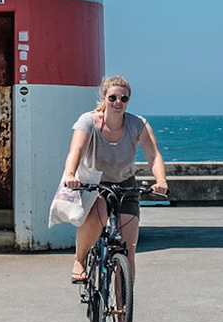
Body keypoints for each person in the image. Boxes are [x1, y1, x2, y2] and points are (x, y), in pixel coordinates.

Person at [61, 74, 168, 284]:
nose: (118, 103)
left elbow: (153, 155)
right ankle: (80, 260)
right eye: (112, 98)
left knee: (128, 253)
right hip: (95, 183)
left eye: (123, 99)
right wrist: (70, 174)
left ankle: (123, 310)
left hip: (125, 185)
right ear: (104, 97)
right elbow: (76, 150)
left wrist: (161, 180)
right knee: (95, 219)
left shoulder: (137, 124)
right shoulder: (88, 121)